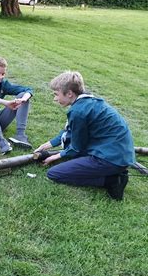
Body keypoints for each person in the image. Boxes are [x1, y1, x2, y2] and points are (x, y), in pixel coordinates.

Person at [35, 71, 135, 200]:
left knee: (54, 174)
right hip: (120, 154)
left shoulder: (78, 111)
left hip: (111, 159)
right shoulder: (87, 101)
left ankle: (111, 180)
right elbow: (71, 131)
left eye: (56, 94)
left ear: (70, 93)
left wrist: (53, 157)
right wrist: (47, 145)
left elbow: (77, 147)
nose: (55, 99)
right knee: (72, 160)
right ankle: (113, 172)